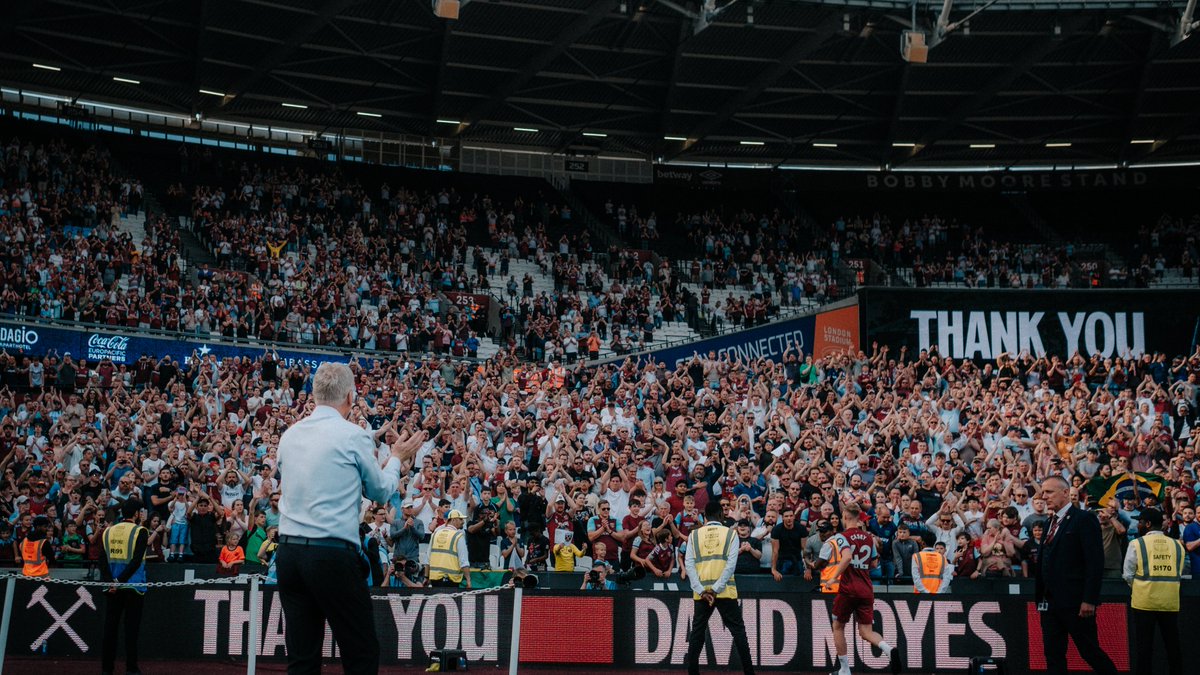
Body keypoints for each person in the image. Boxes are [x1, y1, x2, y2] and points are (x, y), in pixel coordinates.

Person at [275, 362, 427, 675]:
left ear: (315, 394)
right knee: (361, 652)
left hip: (289, 554)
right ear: (350, 396)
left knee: (302, 659)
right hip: (330, 553)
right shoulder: (353, 435)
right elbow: (381, 491)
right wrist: (396, 459)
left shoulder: (289, 436)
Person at [1034, 476, 1118, 675]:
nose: (1044, 497)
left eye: (1049, 492)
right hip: (1050, 603)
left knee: (1089, 651)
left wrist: (1089, 599)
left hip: (1075, 602)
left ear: (1065, 493)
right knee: (1053, 655)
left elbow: (1094, 562)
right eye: (1043, 492)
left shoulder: (1084, 519)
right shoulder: (1048, 523)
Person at [821, 502, 901, 675]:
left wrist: (833, 577)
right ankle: (888, 649)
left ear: (846, 517)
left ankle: (844, 670)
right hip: (866, 588)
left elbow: (847, 557)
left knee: (838, 626)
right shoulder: (868, 537)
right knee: (866, 631)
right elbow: (873, 563)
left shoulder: (842, 536)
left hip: (849, 588)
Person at [683, 499, 755, 675]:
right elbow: (731, 565)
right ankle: (749, 673)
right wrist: (716, 588)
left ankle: (692, 672)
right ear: (722, 515)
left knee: (697, 633)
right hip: (725, 591)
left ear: (704, 516)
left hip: (702, 593)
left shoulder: (694, 535)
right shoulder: (731, 534)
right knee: (738, 632)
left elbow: (689, 565)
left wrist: (702, 590)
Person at [1122, 508, 1186, 675]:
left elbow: (1128, 574)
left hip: (1144, 603)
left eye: (1141, 522)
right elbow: (1179, 573)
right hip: (1170, 602)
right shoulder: (1177, 545)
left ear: (1148, 524)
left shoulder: (1136, 544)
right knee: (1173, 648)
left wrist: (1140, 587)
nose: (1138, 525)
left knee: (1144, 649)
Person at [100, 499, 149, 675]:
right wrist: (120, 581)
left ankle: (107, 669)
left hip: (112, 587)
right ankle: (131, 668)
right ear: (136, 514)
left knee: (110, 629)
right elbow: (136, 561)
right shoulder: (140, 531)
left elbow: (102, 561)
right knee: (131, 629)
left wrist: (111, 582)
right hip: (133, 586)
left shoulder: (108, 531)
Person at [428, 509, 471, 588]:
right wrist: (468, 580)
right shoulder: (458, 536)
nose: (463, 522)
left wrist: (426, 577)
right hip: (450, 579)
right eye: (460, 519)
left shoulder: (435, 533)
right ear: (453, 520)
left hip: (434, 579)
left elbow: (427, 558)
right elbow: (463, 561)